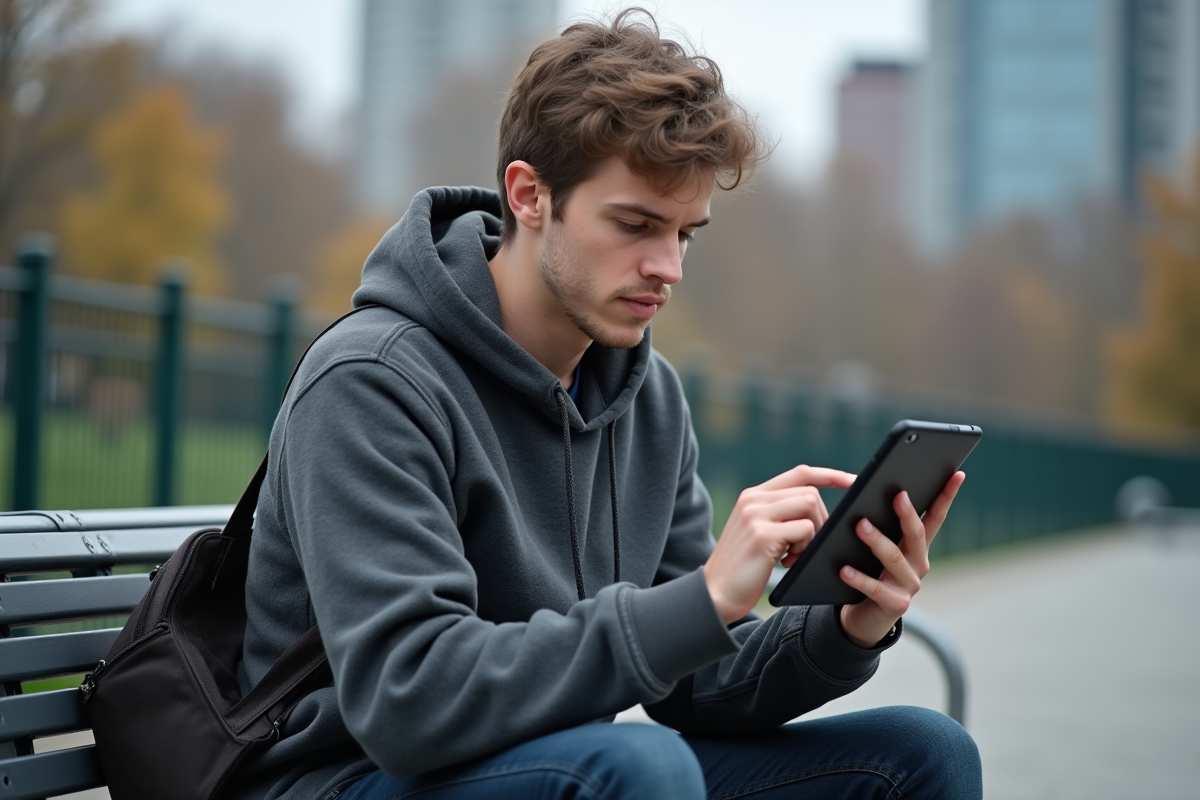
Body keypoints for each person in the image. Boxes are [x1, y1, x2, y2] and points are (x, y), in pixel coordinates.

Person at [233, 9, 982, 800]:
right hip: (349, 778)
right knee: (637, 770)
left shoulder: (645, 395)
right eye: (636, 225)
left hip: (558, 766)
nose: (668, 267)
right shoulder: (372, 379)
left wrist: (842, 625)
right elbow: (407, 701)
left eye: (687, 234)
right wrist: (698, 600)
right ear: (529, 195)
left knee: (920, 754)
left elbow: (693, 687)